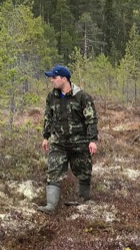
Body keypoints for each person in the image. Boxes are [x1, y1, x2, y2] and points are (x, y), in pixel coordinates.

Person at [38, 65, 98, 214]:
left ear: (64, 79)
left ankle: (83, 201)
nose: (52, 80)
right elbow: (48, 117)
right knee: (53, 171)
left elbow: (91, 119)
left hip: (79, 143)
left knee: (84, 171)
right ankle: (51, 205)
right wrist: (46, 137)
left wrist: (92, 140)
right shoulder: (52, 97)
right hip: (58, 142)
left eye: (54, 77)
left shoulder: (82, 97)